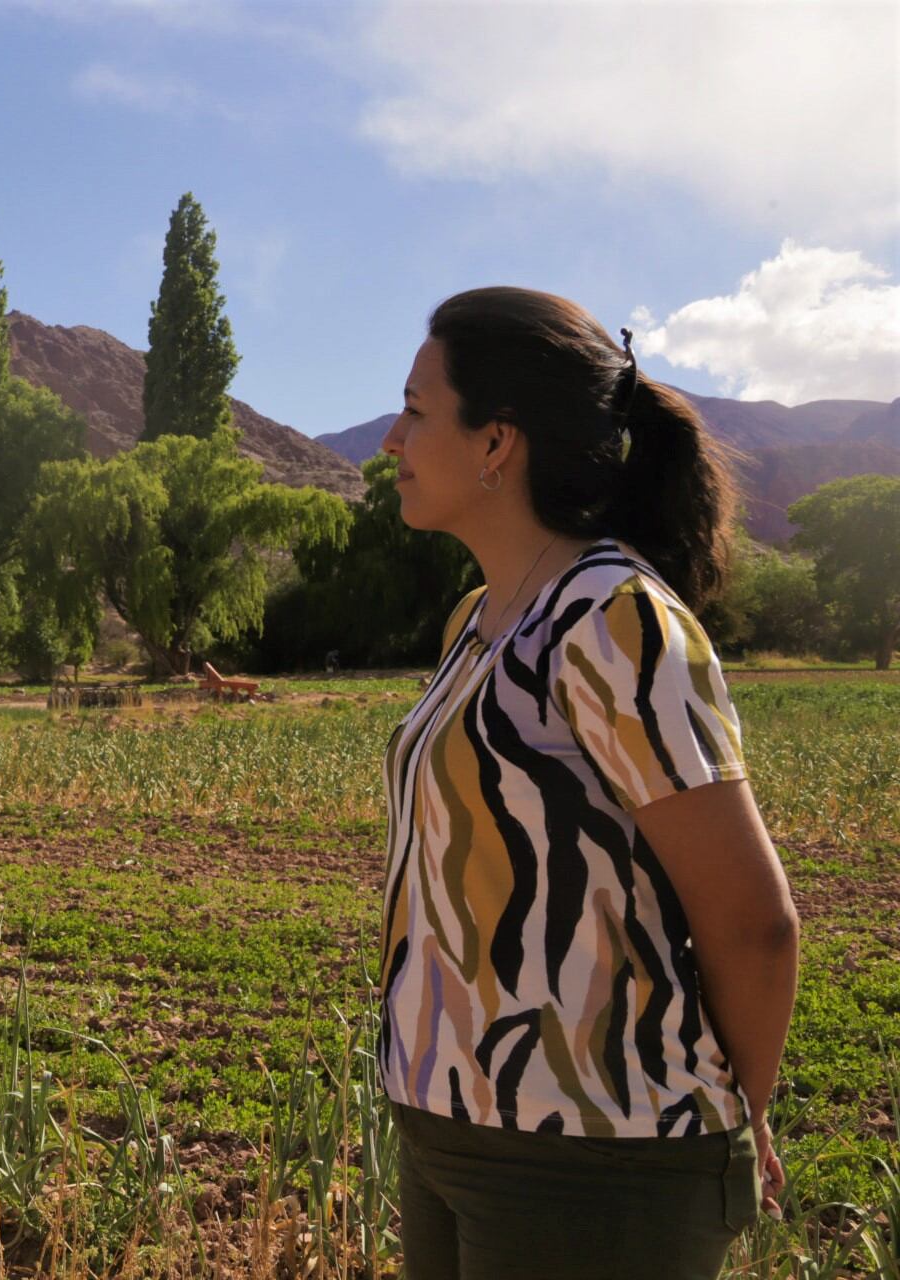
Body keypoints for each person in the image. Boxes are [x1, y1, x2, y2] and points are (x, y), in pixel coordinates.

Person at [376, 288, 799, 1280]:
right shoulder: (480, 620)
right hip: (449, 1124)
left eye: (417, 409)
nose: (392, 436)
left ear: (497, 444)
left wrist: (741, 1112)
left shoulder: (613, 619)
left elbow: (753, 919)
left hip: (595, 1152)